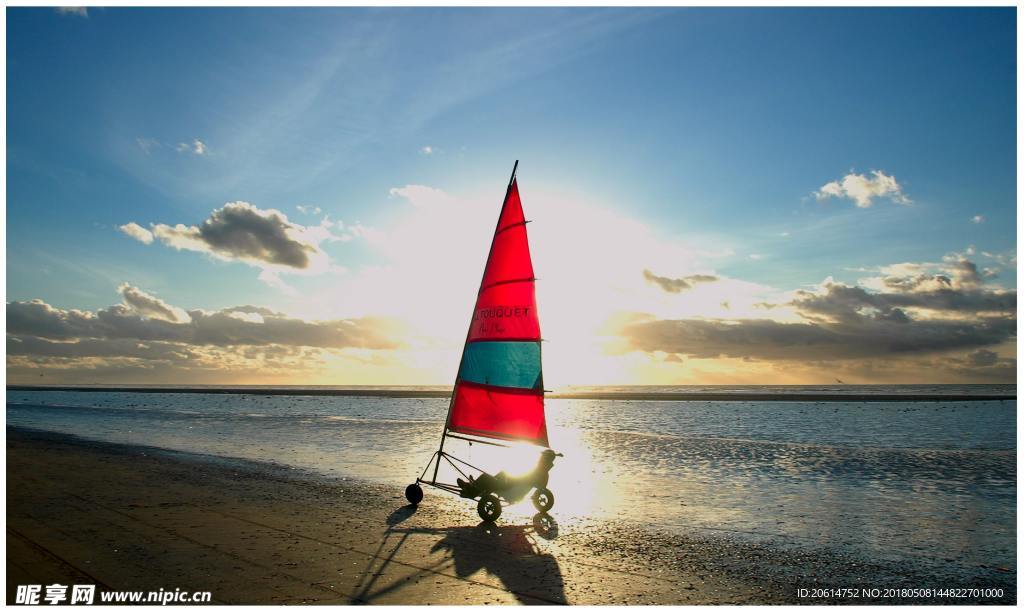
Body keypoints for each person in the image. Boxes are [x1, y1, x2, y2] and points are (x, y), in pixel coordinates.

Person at [457, 449, 558, 500]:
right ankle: (474, 485)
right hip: (511, 485)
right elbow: (540, 486)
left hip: (510, 488)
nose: (539, 458)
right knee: (503, 473)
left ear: (544, 459)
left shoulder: (539, 471)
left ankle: (471, 490)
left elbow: (532, 482)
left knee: (485, 477)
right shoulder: (541, 470)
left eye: (542, 457)